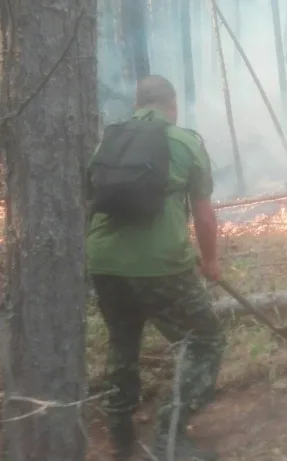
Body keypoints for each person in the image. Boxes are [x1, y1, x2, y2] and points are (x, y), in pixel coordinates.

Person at [86, 75, 224, 461]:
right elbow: (206, 218)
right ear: (172, 105)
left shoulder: (106, 143)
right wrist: (211, 261)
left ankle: (119, 439)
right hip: (161, 266)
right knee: (205, 339)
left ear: (137, 105)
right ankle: (169, 435)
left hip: (104, 263)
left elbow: (92, 201)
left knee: (123, 341)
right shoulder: (185, 142)